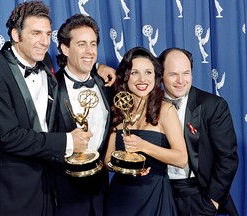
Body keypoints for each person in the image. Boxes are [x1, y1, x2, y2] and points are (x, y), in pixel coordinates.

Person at [0, 2, 92, 215]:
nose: (45, 42)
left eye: (48, 34)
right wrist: (68, 141)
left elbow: (72, 67)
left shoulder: (44, 60)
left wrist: (101, 67)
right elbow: (9, 136)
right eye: (36, 33)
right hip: (8, 189)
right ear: (16, 35)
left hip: (46, 184)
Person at [104, 46, 187, 216]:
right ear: (125, 76)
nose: (142, 79)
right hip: (121, 198)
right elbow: (107, 161)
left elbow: (181, 158)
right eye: (134, 73)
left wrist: (143, 146)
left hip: (154, 197)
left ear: (156, 77)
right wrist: (127, 168)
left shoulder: (166, 110)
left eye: (148, 72)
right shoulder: (117, 110)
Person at [158, 47, 239, 216]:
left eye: (186, 73)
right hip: (159, 193)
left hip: (197, 195)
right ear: (161, 75)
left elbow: (227, 158)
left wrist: (212, 201)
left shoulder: (213, 106)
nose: (181, 80)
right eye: (173, 74)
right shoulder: (149, 105)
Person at [53, 14, 113, 216]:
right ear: (65, 48)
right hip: (61, 192)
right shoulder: (49, 86)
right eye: (81, 44)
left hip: (101, 191)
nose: (89, 51)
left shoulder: (107, 85)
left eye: (93, 44)